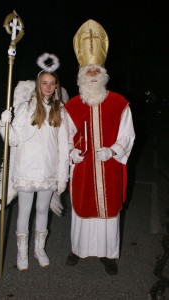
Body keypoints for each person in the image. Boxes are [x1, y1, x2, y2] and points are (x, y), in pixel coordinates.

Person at [64, 19, 135, 275]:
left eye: (96, 71)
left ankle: (108, 255)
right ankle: (78, 250)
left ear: (103, 74)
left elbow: (128, 134)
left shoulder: (119, 103)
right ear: (81, 75)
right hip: (83, 168)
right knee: (82, 207)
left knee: (108, 209)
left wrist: (114, 150)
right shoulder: (71, 105)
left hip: (108, 167)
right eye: (88, 71)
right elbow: (65, 135)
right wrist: (71, 152)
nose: (92, 75)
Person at [0, 53, 69, 271]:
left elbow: (64, 146)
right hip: (26, 170)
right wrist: (4, 124)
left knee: (43, 210)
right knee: (24, 211)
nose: (48, 86)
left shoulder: (61, 111)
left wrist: (62, 176)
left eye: (52, 83)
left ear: (56, 87)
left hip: (48, 172)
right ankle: (22, 252)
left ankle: (39, 249)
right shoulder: (26, 109)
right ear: (38, 84)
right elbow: (14, 140)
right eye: (44, 83)